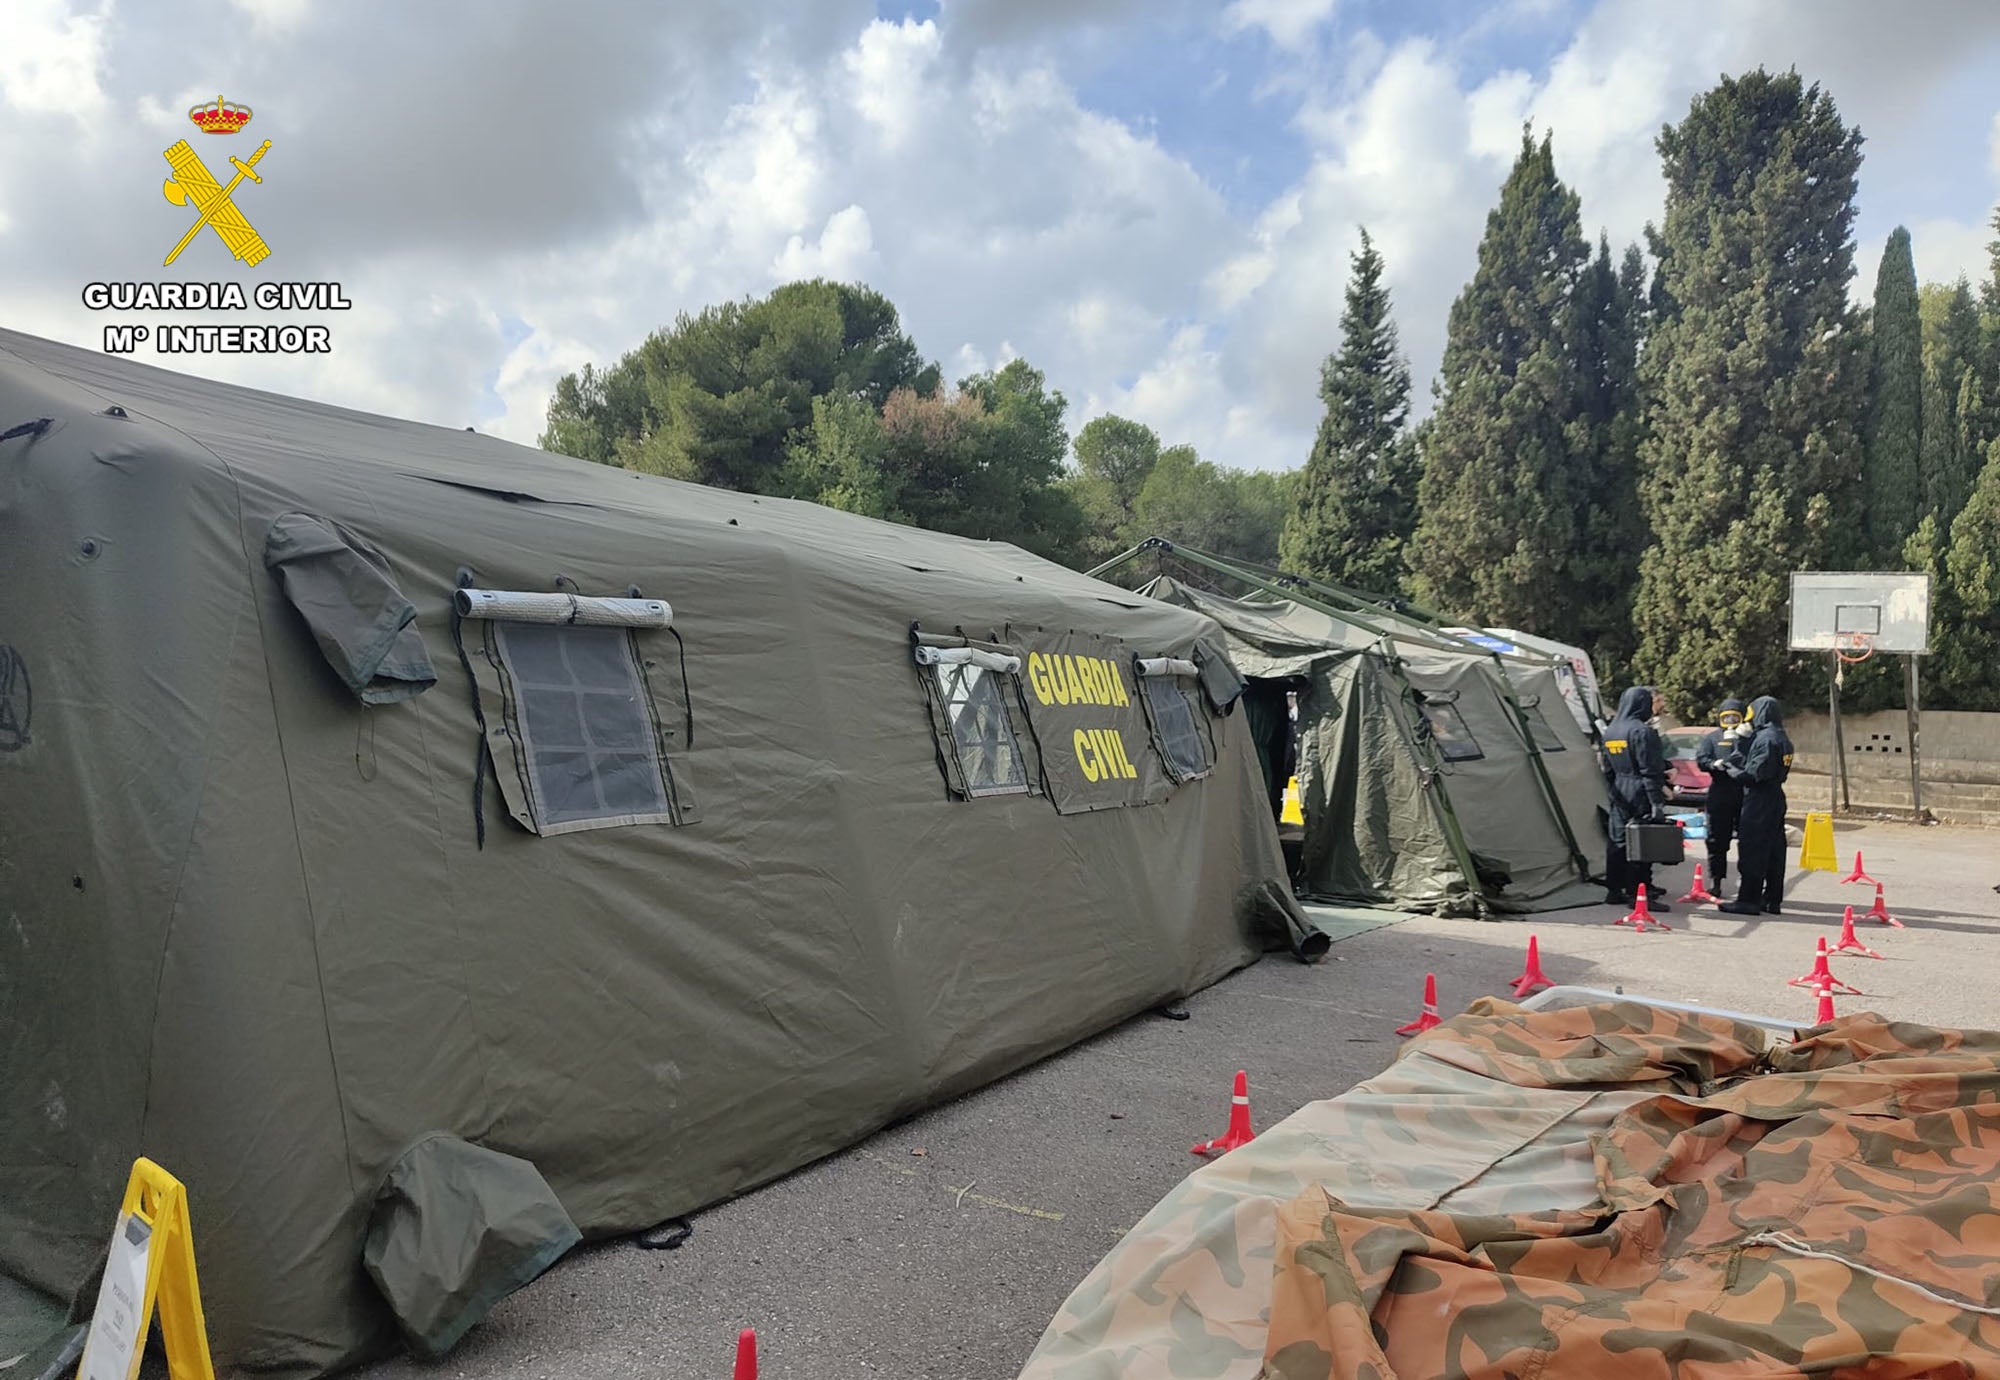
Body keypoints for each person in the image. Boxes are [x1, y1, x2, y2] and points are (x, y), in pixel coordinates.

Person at [1718, 695, 1793, 916]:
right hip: (1776, 797)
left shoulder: (1766, 740)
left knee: (1752, 849)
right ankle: (1772, 899)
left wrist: (1731, 770)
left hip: (1759, 800)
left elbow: (1754, 775)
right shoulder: (1782, 737)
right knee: (1775, 851)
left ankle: (1748, 900)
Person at [1600, 686, 1672, 909]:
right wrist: (1656, 801)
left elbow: (1607, 769)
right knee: (1642, 843)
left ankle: (1614, 890)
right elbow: (1650, 770)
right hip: (1640, 790)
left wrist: (1614, 790)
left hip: (1619, 789)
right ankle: (1638, 895)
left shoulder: (1611, 731)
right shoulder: (1643, 732)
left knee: (1618, 842)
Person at [1694, 698, 1747, 892]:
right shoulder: (1712, 738)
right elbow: (1701, 759)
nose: (1731, 721)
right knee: (1716, 839)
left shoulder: (1748, 737)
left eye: (1735, 717)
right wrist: (1712, 764)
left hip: (1744, 791)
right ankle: (1716, 881)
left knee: (1748, 839)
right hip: (1720, 791)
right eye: (1727, 717)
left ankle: (1747, 881)